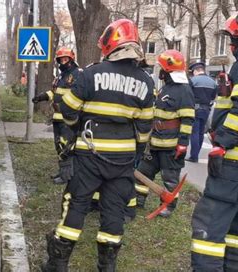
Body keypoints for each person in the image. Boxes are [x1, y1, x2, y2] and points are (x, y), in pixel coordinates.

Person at [42, 19, 154, 271]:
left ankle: (57, 264)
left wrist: (71, 137)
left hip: (89, 157)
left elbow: (68, 111)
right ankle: (107, 266)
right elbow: (145, 127)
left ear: (109, 43)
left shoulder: (89, 74)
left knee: (76, 205)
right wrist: (133, 154)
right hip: (123, 161)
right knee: (114, 212)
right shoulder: (146, 82)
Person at [191, 12, 238, 270]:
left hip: (233, 164)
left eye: (234, 39)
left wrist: (222, 142)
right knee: (236, 231)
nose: (231, 46)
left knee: (207, 227)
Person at [135, 50, 194, 218]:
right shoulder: (166, 88)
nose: (159, 70)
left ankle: (168, 206)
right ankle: (139, 199)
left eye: (161, 67)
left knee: (170, 179)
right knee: (143, 172)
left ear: (168, 69)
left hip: (171, 146)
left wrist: (183, 143)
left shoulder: (184, 90)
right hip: (155, 143)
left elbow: (188, 120)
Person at [32, 47, 82, 184]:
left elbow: (78, 95)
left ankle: (66, 176)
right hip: (57, 118)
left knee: (66, 147)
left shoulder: (78, 74)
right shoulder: (61, 76)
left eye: (66, 59)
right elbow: (55, 93)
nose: (63, 62)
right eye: (61, 60)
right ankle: (62, 172)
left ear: (71, 59)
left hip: (69, 119)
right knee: (59, 146)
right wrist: (42, 97)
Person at [185, 61, 217, 163]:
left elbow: (188, 95)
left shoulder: (192, 81)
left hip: (195, 109)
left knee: (194, 132)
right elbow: (213, 97)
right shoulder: (212, 82)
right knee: (200, 133)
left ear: (195, 71)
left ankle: (194, 156)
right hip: (206, 110)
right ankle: (196, 154)